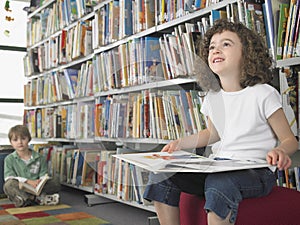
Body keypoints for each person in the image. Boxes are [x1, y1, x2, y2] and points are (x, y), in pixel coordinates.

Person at [143, 19, 298, 225]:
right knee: (162, 174)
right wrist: (180, 143)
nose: (216, 50)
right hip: (217, 166)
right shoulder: (213, 97)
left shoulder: (263, 94)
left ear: (247, 53)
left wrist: (280, 152)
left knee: (220, 183)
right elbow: (212, 134)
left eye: (226, 44)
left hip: (256, 171)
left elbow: (290, 140)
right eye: (212, 47)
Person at [3, 124, 61, 207]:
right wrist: (27, 181)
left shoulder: (40, 157)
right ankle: (35, 199)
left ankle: (24, 199)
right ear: (11, 143)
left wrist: (40, 181)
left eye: (23, 139)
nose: (20, 142)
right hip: (21, 186)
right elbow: (8, 177)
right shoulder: (9, 159)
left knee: (55, 182)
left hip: (36, 187)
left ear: (28, 139)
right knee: (8, 185)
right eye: (15, 140)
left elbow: (43, 175)